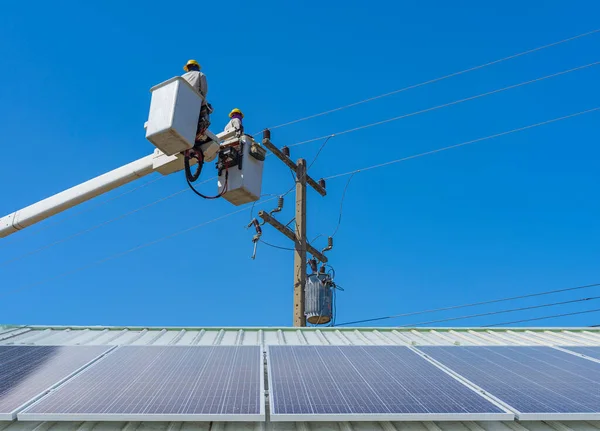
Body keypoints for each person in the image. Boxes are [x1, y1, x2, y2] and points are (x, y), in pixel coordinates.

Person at [181, 59, 211, 141]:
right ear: (197, 67)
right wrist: (202, 101)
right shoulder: (200, 74)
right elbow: (204, 90)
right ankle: (200, 130)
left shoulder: (182, 77)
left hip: (182, 102)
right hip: (195, 99)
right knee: (208, 109)